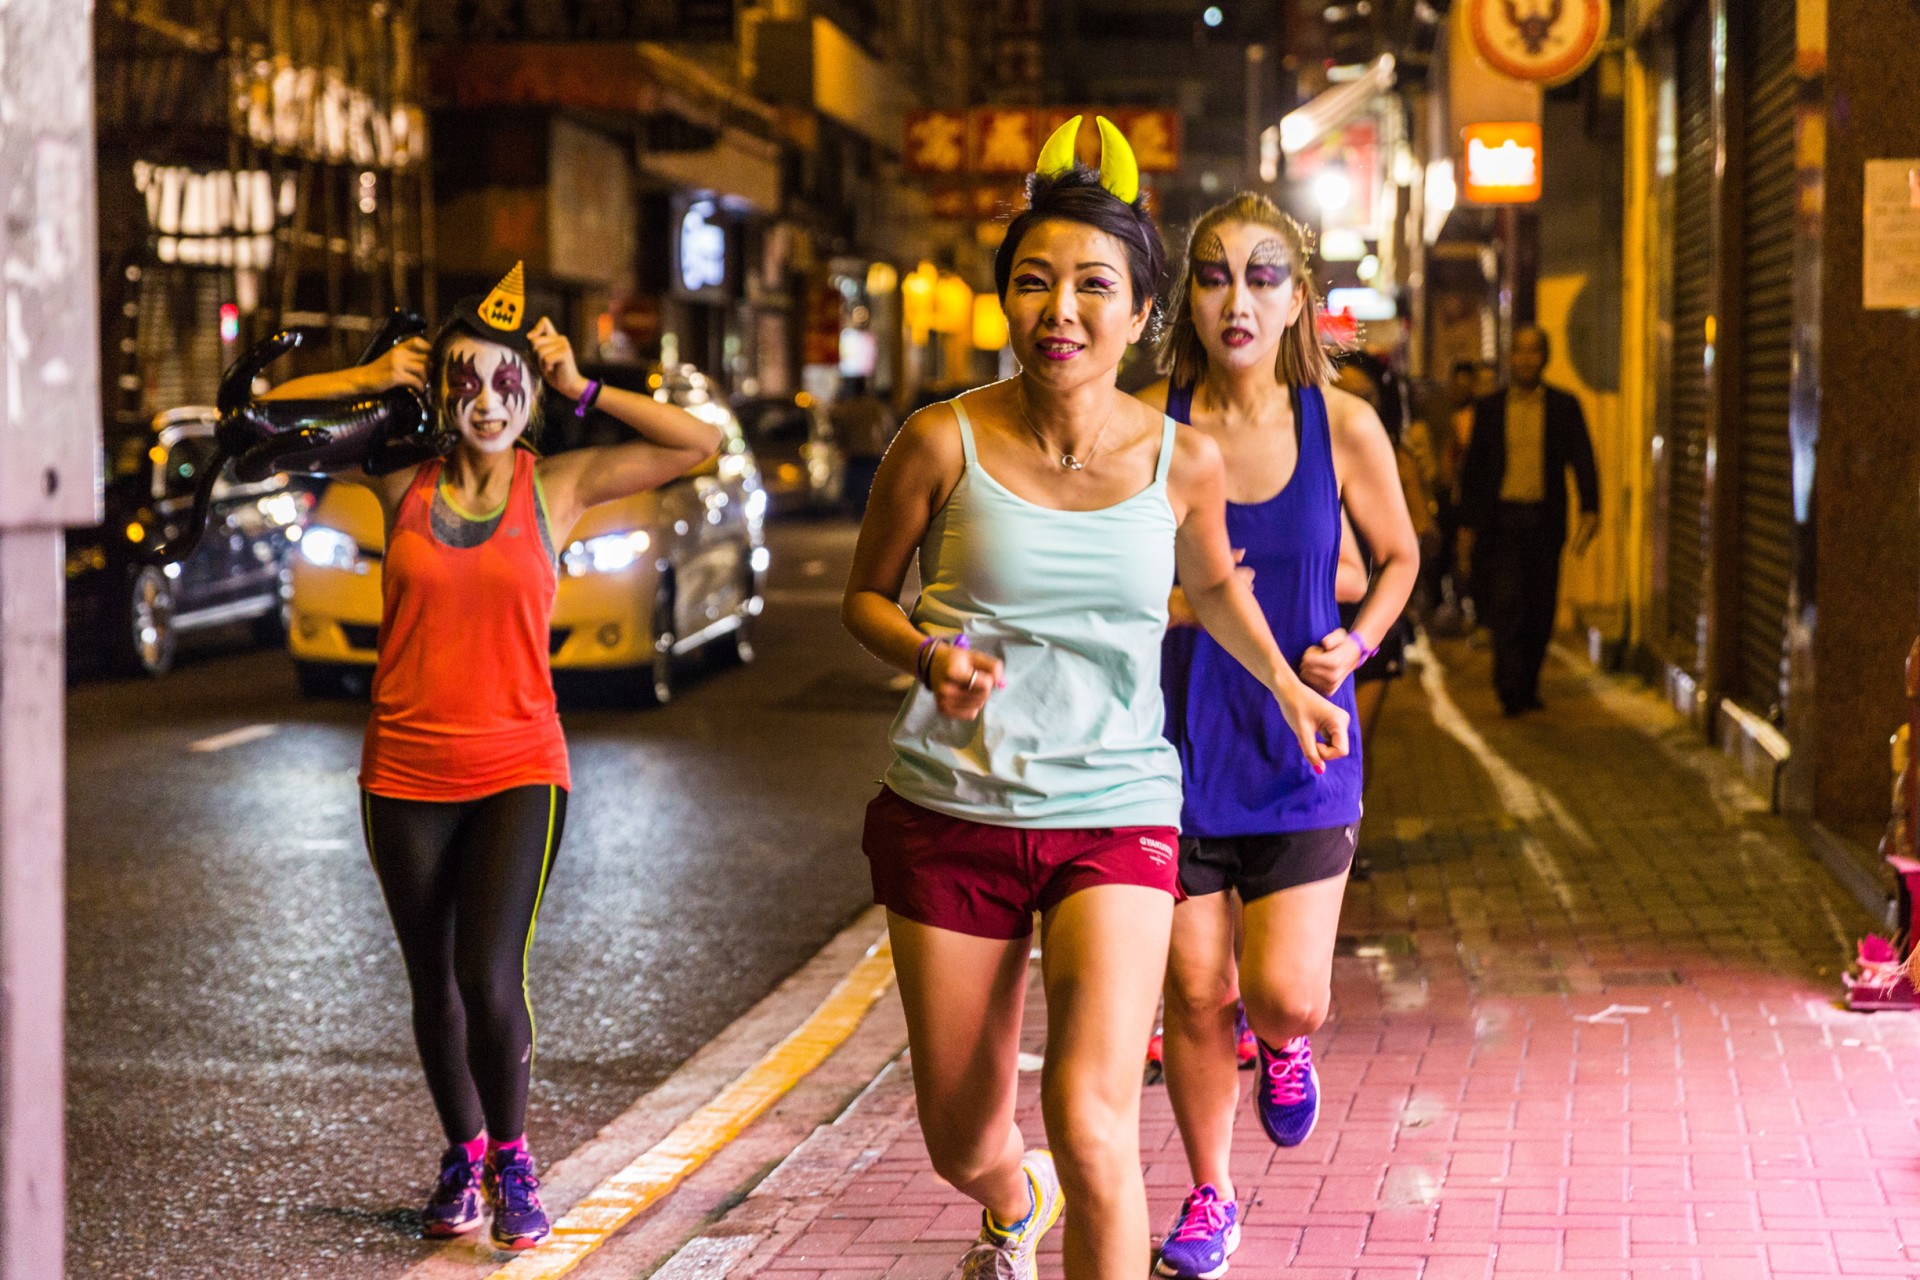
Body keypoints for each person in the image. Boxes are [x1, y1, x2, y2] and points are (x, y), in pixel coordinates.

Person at [841, 120, 1350, 1280]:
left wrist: (1288, 688)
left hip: (1115, 813)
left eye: (1092, 285)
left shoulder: (1183, 461)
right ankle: (1012, 1195)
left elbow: (1213, 589)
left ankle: (1068, 1186)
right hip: (952, 809)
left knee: (1092, 1117)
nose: (1059, 310)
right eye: (1034, 281)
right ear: (1005, 302)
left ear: (1139, 311)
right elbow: (866, 598)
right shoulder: (940, 440)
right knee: (960, 1134)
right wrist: (927, 653)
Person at [265, 263, 722, 1250]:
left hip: (520, 763)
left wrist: (583, 387)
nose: (485, 400)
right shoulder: (401, 479)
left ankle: (512, 1158)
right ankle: (462, 1150)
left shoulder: (559, 484)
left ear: (528, 393)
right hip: (403, 768)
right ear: (440, 389)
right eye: (464, 379)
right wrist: (371, 374)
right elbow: (265, 419)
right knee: (431, 981)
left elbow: (699, 442)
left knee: (486, 972)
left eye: (505, 382)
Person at [1136, 194, 1418, 1280]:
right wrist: (1166, 602)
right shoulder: (1143, 424)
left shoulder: (1340, 424)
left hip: (1305, 750)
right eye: (1213, 276)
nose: (1237, 299)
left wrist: (1358, 641)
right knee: (1193, 989)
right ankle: (1211, 1193)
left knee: (1283, 992)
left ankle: (1286, 1039)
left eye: (1262, 276)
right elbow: (1092, 563)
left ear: (1297, 298)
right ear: (1189, 299)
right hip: (1171, 748)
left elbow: (1399, 556)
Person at [1457, 325, 1599, 716]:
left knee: (1540, 606)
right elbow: (1474, 469)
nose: (1526, 359)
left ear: (1545, 357)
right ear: (1510, 357)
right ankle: (1508, 686)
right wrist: (1467, 526)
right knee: (1507, 604)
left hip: (1544, 520)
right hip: (1502, 521)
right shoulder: (1490, 409)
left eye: (1533, 351)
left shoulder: (1564, 406)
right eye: (1519, 351)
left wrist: (1590, 506)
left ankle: (1528, 684)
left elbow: (1582, 458)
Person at [830, 375, 898, 515]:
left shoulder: (847, 408)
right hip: (874, 451)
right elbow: (889, 429)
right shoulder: (878, 408)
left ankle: (858, 511)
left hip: (855, 453)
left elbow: (839, 430)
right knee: (872, 485)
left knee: (856, 487)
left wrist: (842, 446)